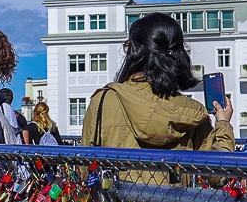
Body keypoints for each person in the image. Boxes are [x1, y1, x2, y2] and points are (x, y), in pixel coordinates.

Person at [83, 12, 233, 151]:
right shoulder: (193, 111)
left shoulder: (103, 100)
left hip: (118, 180)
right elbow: (219, 174)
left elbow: (84, 166)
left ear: (134, 51)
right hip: (174, 180)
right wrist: (223, 124)